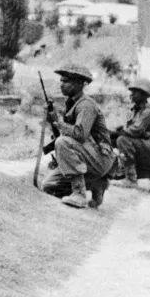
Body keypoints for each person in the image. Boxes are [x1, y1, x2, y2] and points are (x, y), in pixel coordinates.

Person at [40, 64, 115, 209]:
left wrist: (59, 122)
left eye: (66, 81)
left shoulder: (86, 105)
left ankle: (79, 195)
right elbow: (65, 136)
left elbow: (79, 134)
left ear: (79, 84)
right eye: (61, 81)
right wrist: (53, 121)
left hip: (100, 157)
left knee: (63, 142)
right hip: (88, 156)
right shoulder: (72, 104)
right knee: (48, 186)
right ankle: (96, 184)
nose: (62, 84)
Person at [112, 78, 150, 192]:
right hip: (148, 145)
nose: (132, 95)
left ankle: (131, 179)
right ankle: (125, 172)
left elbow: (136, 130)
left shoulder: (148, 112)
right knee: (118, 140)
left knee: (122, 140)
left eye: (135, 92)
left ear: (144, 94)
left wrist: (116, 133)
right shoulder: (135, 110)